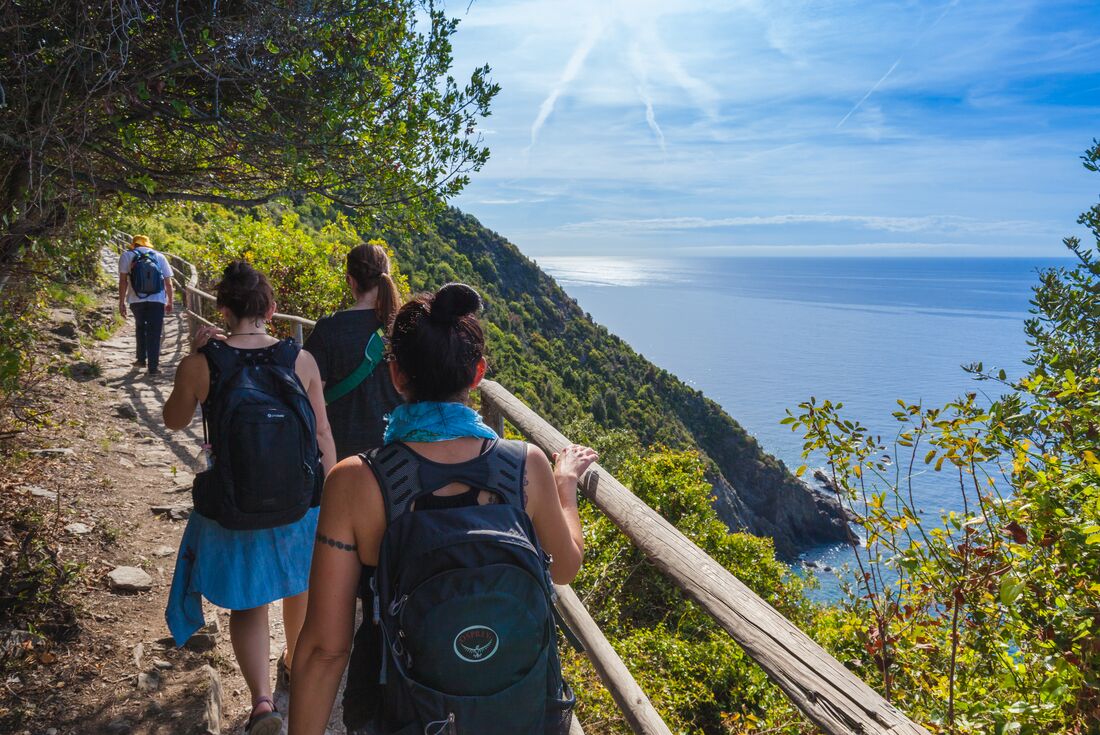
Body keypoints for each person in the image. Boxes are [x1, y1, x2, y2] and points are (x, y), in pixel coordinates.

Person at [288, 283, 597, 735]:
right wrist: (564, 483)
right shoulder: (525, 465)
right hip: (511, 712)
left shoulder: (355, 481)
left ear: (395, 374)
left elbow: (325, 649)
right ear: (478, 373)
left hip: (404, 714)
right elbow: (566, 567)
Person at [162, 261, 337, 735]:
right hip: (298, 501)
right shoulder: (300, 360)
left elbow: (174, 420)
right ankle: (296, 663)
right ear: (271, 309)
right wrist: (332, 494)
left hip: (234, 503)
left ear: (222, 308)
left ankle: (262, 702)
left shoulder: (202, 364)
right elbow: (321, 432)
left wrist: (192, 358)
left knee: (249, 602)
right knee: (299, 585)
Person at [304, 243, 402, 460]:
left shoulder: (328, 329)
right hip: (399, 450)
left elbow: (309, 394)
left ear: (350, 280)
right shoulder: (404, 325)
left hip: (345, 452)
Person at [118, 234, 174, 375]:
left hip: (136, 300)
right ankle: (153, 368)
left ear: (134, 244)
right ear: (148, 244)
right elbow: (168, 282)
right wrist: (170, 301)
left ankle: (141, 360)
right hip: (157, 300)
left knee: (140, 327)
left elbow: (123, 281)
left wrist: (121, 302)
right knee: (154, 332)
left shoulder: (126, 256)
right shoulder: (159, 256)